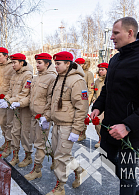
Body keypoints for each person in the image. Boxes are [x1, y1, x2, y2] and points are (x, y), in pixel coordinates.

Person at [91, 17, 139, 195]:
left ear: (130, 33)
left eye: (116, 33)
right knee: (106, 157)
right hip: (110, 126)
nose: (111, 37)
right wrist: (98, 106)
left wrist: (127, 126)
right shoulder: (116, 59)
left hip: (130, 132)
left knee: (126, 179)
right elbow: (107, 90)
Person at [45, 51, 88, 195]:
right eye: (55, 63)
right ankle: (80, 170)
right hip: (57, 124)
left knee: (61, 157)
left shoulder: (77, 81)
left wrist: (76, 130)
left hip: (68, 126)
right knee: (61, 154)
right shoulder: (59, 78)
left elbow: (81, 108)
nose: (55, 66)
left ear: (68, 64)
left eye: (58, 63)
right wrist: (47, 117)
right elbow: (53, 102)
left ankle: (60, 187)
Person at [23, 53, 57, 181]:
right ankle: (53, 156)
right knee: (37, 141)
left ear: (47, 64)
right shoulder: (36, 78)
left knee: (39, 144)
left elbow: (51, 100)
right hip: (34, 115)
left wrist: (46, 118)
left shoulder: (52, 78)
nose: (37, 65)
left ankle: (37, 170)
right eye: (36, 62)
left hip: (43, 117)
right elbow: (31, 96)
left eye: (40, 63)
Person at [2, 53, 33, 166]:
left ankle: (28, 156)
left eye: (14, 62)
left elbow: (25, 93)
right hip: (14, 107)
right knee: (15, 131)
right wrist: (5, 99)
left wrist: (11, 101)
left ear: (21, 62)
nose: (12, 65)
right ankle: (15, 156)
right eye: (12, 63)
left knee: (25, 133)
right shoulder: (15, 75)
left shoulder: (28, 75)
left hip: (24, 109)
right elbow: (10, 91)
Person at [74, 58, 94, 141]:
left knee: (82, 117)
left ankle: (82, 134)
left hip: (83, 98)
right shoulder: (74, 73)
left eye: (80, 64)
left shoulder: (88, 74)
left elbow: (90, 88)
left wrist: (87, 101)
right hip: (75, 98)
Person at [92, 62, 108, 148]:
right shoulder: (97, 81)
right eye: (99, 69)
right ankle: (100, 138)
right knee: (97, 122)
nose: (100, 71)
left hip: (108, 105)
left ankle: (105, 139)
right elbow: (95, 92)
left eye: (102, 69)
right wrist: (94, 99)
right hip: (99, 106)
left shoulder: (109, 80)